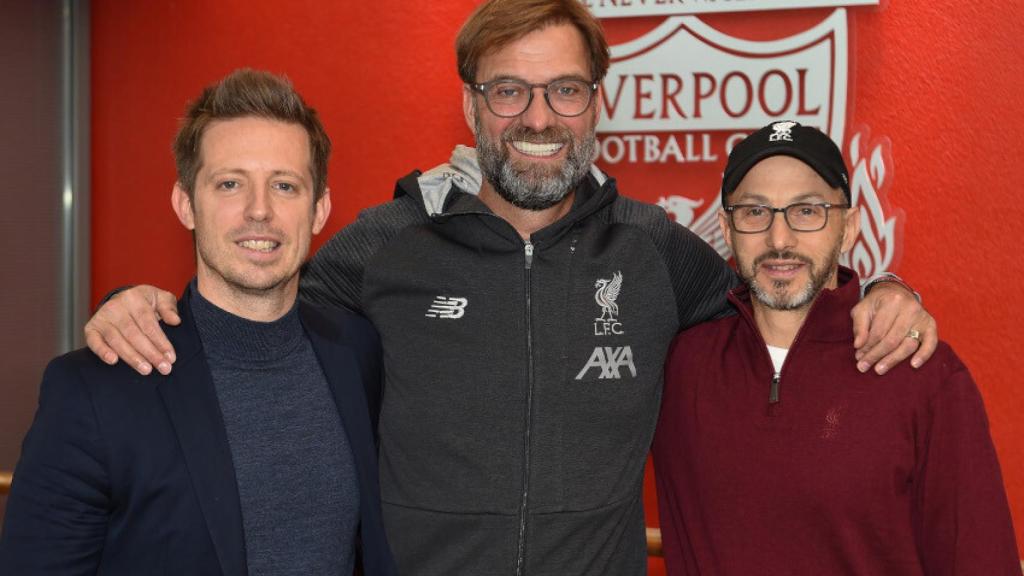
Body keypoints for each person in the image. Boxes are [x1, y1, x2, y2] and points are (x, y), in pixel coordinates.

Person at [81, 2, 937, 574]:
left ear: (595, 103)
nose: (537, 116)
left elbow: (778, 307)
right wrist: (146, 302)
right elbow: (255, 307)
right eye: (508, 90)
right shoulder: (385, 245)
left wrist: (880, 286)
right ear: (471, 105)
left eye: (564, 89)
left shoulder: (655, 250)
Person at [0, 70, 396, 575]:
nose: (259, 210)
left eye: (285, 185)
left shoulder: (360, 355)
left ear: (319, 210)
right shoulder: (94, 390)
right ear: (186, 204)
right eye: (230, 184)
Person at [652, 120, 1020, 575]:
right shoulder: (677, 366)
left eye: (807, 211)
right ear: (727, 229)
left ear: (849, 227)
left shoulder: (921, 373)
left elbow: (979, 559)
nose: (779, 239)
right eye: (755, 211)